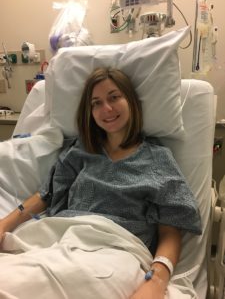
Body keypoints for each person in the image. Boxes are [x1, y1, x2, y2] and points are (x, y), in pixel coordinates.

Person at [0, 67, 201, 299]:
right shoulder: (80, 150)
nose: (106, 109)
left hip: (118, 250)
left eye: (114, 97)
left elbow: (170, 229)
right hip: (61, 239)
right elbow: (46, 194)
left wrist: (157, 280)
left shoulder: (157, 158)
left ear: (131, 101)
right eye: (96, 103)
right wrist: (4, 224)